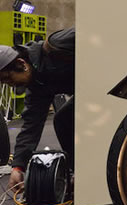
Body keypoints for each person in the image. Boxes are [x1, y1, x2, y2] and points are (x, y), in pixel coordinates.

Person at [0, 27, 74, 194]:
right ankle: (80, 171)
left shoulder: (58, 44)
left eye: (8, 78)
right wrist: (17, 167)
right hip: (90, 93)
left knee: (67, 117)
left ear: (21, 64)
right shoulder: (37, 85)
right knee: (63, 119)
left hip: (114, 80)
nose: (10, 85)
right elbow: (30, 127)